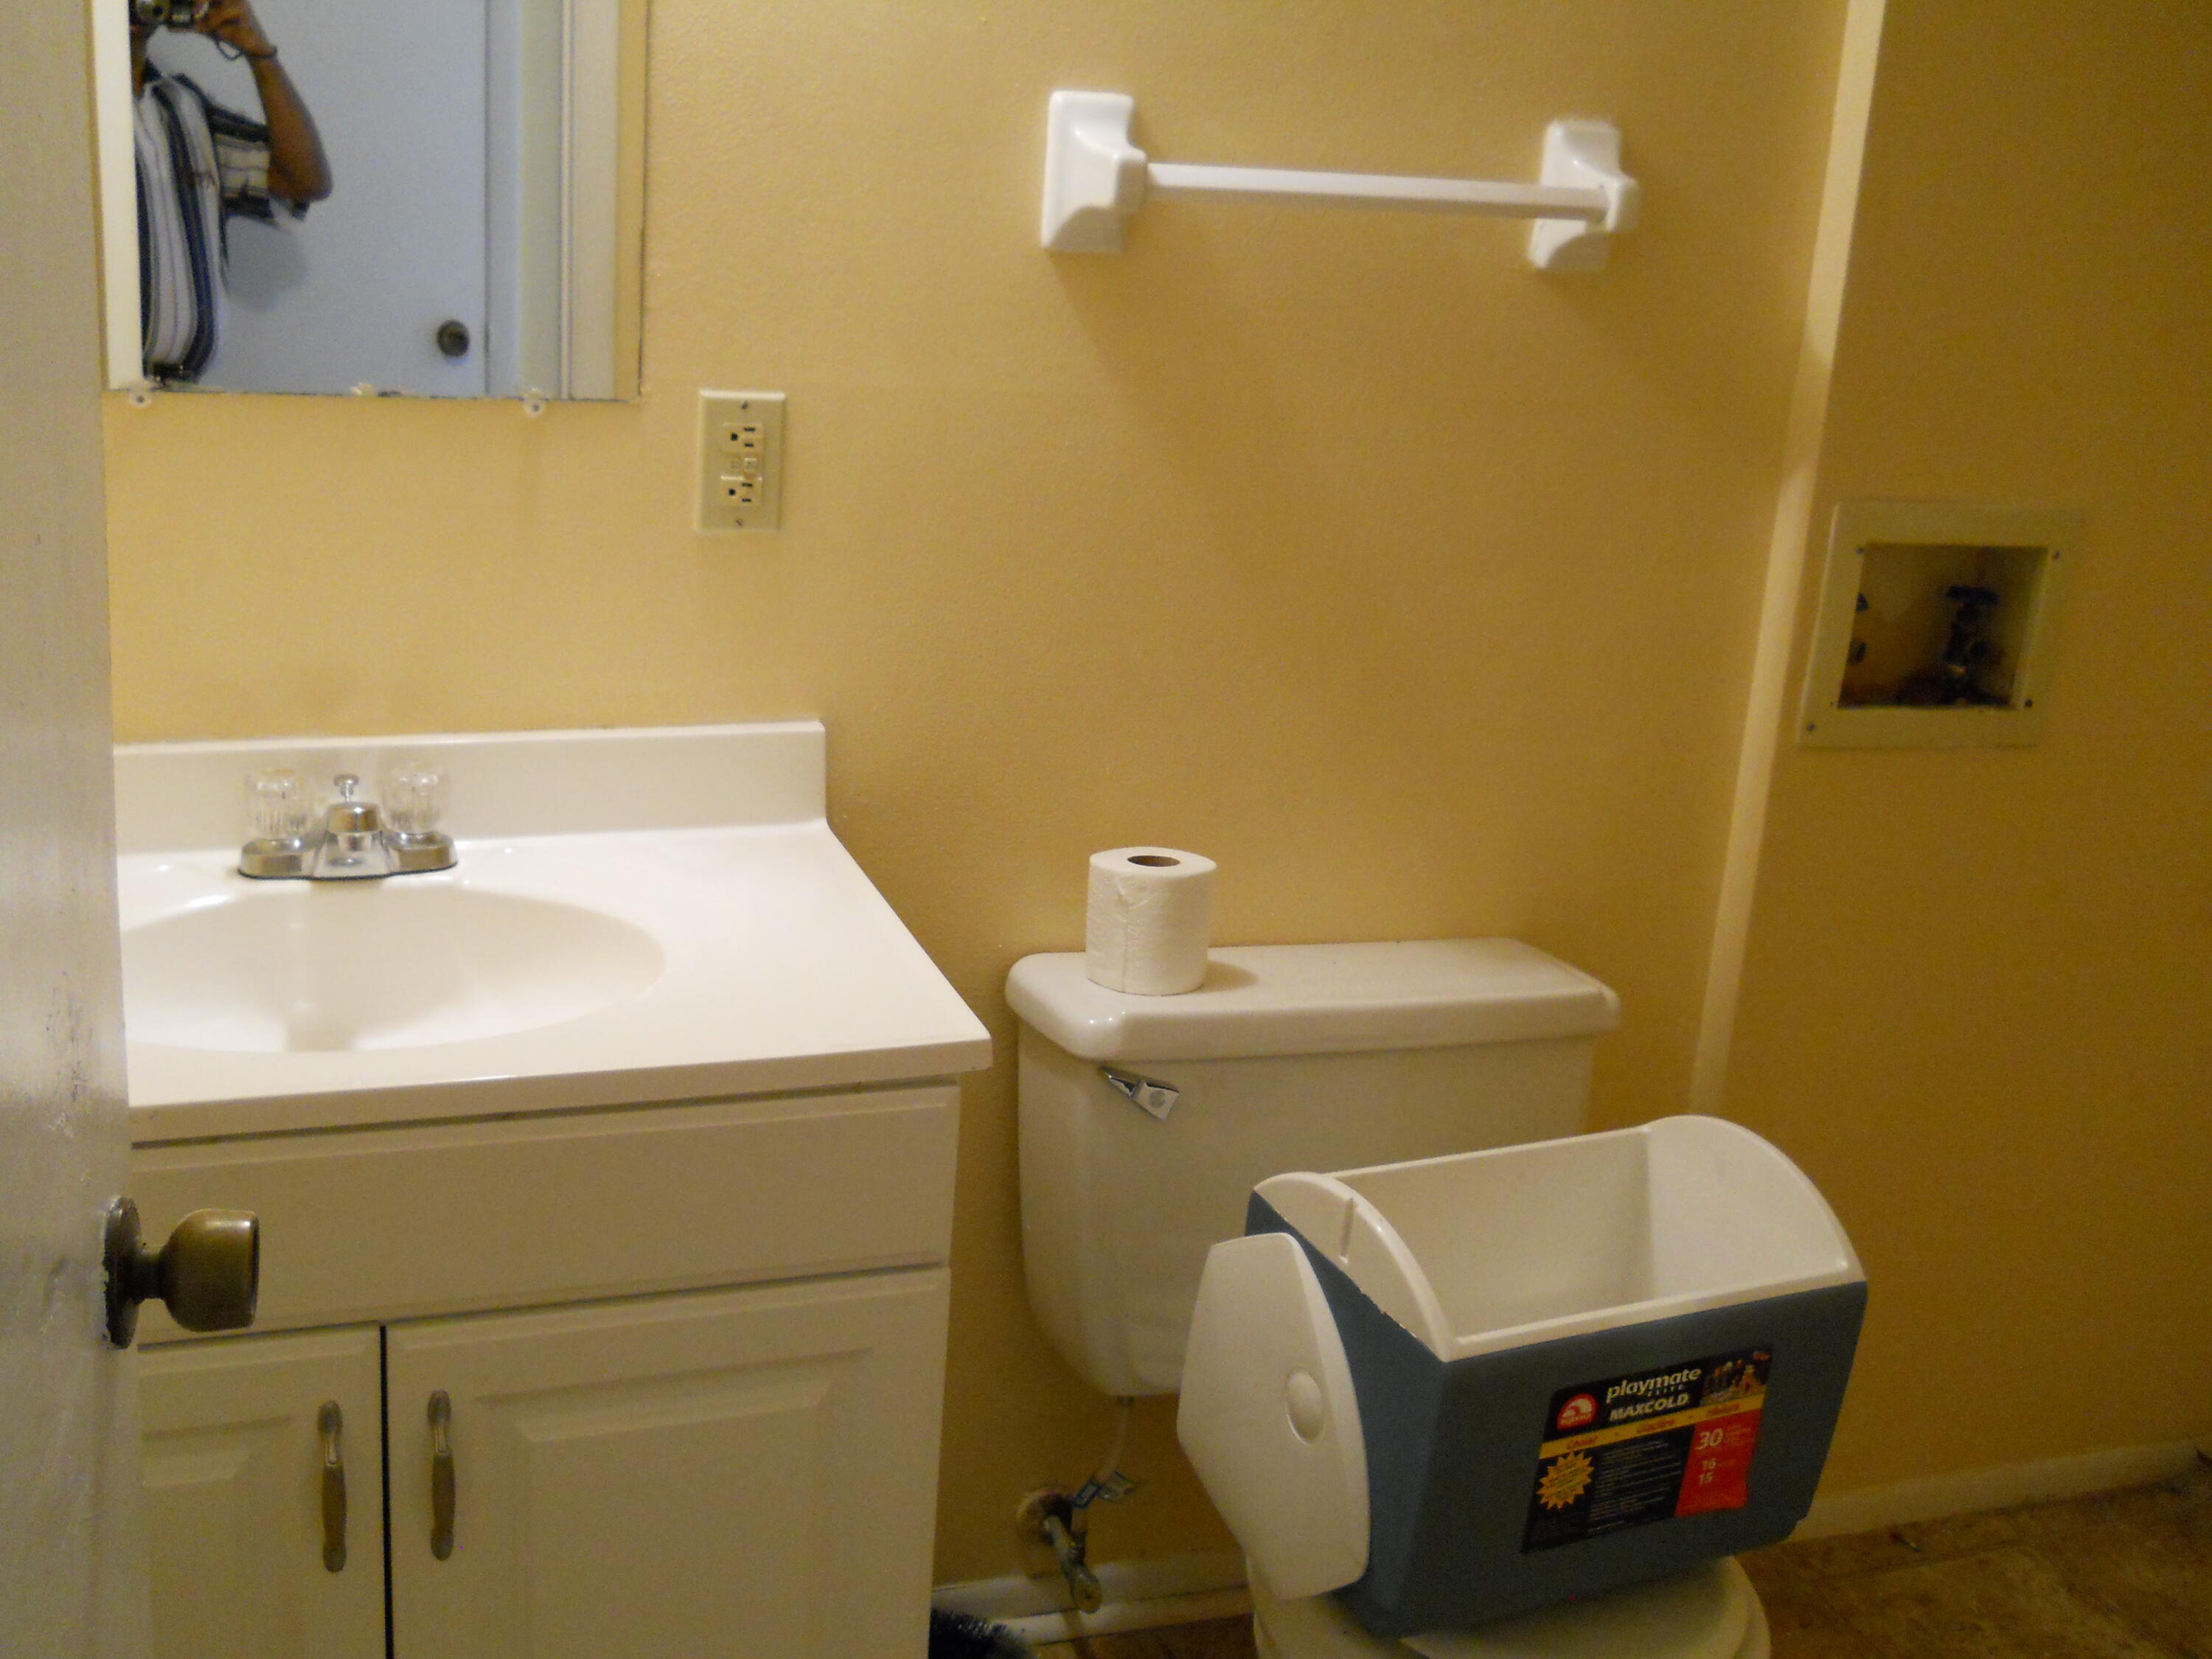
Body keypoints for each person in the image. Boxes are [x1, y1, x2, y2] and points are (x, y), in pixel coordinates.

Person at [132, 0, 330, 382]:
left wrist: (259, 53)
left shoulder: (182, 106)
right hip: (85, 398)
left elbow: (305, 180)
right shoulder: (57, 111)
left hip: (181, 394)